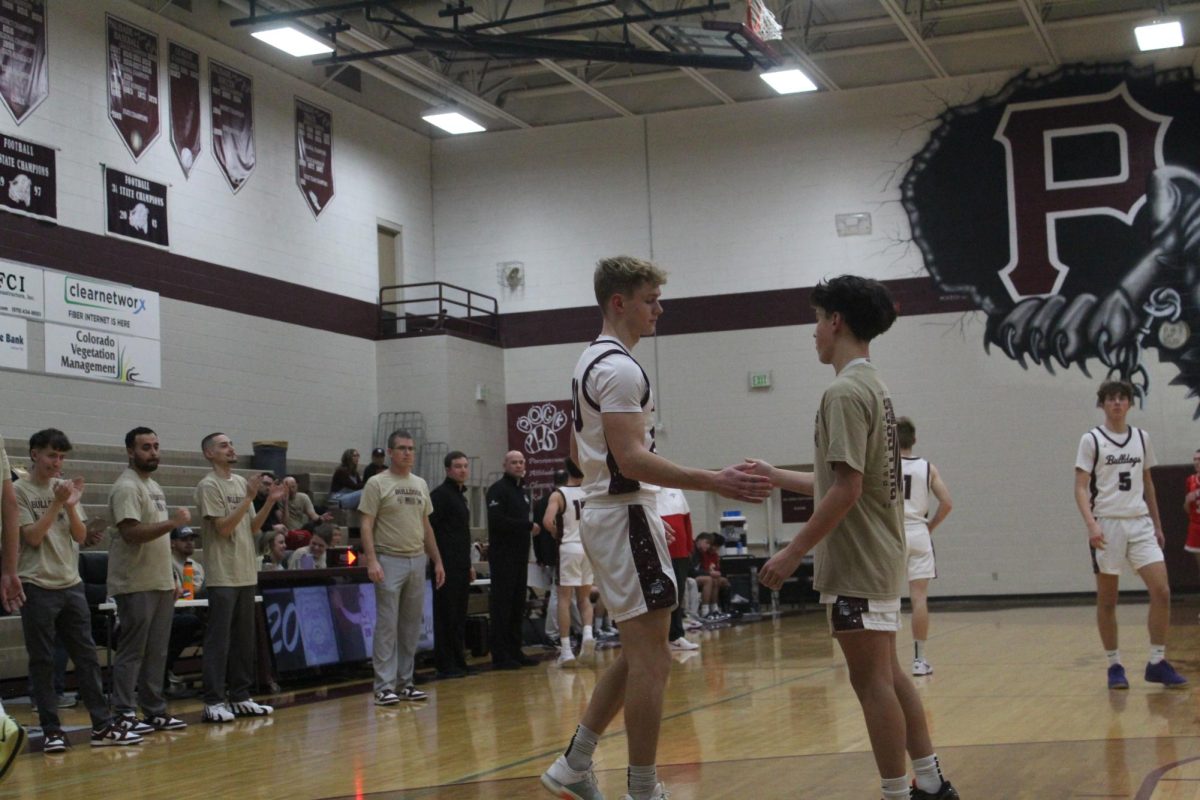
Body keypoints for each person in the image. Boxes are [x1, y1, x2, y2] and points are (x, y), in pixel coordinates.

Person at [541, 256, 770, 800]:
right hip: (620, 513)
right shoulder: (619, 368)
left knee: (639, 652)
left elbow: (588, 451)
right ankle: (642, 789)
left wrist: (639, 510)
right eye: (650, 299)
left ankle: (573, 765)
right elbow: (632, 457)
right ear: (618, 302)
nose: (659, 310)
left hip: (619, 513)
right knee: (653, 658)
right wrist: (712, 480)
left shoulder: (588, 361)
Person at [755, 275, 958, 800]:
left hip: (858, 561)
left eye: (817, 319)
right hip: (880, 557)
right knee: (889, 674)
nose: (814, 332)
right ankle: (931, 783)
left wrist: (792, 551)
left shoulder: (843, 392)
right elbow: (846, 481)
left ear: (836, 321)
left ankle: (896, 792)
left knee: (872, 684)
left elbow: (846, 490)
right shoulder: (875, 387)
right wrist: (776, 476)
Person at [16, 428, 140, 752]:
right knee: (42, 660)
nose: (57, 463)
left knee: (86, 657)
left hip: (71, 584)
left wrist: (71, 505)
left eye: (61, 457)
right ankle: (52, 730)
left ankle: (101, 725)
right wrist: (56, 503)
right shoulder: (18, 491)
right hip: (36, 583)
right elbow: (31, 537)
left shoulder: (63, 488)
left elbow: (81, 535)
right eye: (50, 456)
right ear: (34, 455)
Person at [1074, 380, 1186, 690]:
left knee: (1161, 591)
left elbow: (1148, 484)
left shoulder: (1141, 437)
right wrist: (1091, 524)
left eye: (1122, 398)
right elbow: (1081, 487)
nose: (1117, 403)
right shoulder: (1091, 440)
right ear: (1102, 404)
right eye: (1111, 399)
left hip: (1140, 523)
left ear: (1130, 404)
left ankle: (1157, 661)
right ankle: (1114, 665)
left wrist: (1158, 524)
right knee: (1108, 599)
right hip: (1107, 523)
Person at [195, 432, 286, 723]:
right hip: (222, 574)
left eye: (231, 444)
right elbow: (223, 528)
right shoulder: (208, 485)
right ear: (209, 453)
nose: (231, 448)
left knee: (244, 640)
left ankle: (240, 696)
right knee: (219, 640)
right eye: (223, 445)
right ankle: (213, 700)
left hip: (246, 572)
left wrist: (269, 501)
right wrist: (248, 498)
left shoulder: (238, 483)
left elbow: (253, 528)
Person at [106, 426, 192, 733]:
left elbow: (158, 540)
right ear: (130, 451)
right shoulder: (127, 487)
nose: (153, 452)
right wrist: (173, 523)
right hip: (135, 582)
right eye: (146, 447)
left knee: (158, 650)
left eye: (156, 446)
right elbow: (131, 533)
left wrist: (171, 573)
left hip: (159, 581)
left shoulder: (153, 485)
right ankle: (124, 711)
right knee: (133, 650)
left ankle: (154, 709)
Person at [359, 429, 446, 705]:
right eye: (402, 448)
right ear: (391, 452)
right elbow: (365, 524)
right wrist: (371, 560)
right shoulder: (376, 483)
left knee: (410, 626)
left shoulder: (420, 484)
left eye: (411, 448)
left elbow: (426, 526)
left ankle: (406, 682)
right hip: (388, 559)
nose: (408, 453)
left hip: (417, 559)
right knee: (387, 625)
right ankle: (383, 686)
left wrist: (437, 559)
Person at [896, 417, 953, 677]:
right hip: (918, 532)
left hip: (891, 534)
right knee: (919, 598)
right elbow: (947, 503)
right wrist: (929, 527)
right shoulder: (928, 468)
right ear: (914, 440)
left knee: (885, 597)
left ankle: (886, 661)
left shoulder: (882, 467)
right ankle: (919, 661)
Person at [487, 451, 540, 670]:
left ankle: (515, 650)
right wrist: (526, 526)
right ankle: (500, 655)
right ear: (505, 465)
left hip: (520, 556)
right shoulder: (498, 490)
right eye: (514, 462)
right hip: (503, 557)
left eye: (521, 462)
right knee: (503, 606)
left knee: (518, 604)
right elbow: (498, 521)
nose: (518, 466)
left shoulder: (522, 491)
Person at [543, 457, 595, 667]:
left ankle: (566, 650)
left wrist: (558, 533)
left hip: (569, 548)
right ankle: (588, 635)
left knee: (564, 599)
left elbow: (547, 521)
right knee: (584, 599)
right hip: (588, 548)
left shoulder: (559, 494)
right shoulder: (590, 493)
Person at [430, 450, 476, 679]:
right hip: (444, 565)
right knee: (445, 615)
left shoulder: (460, 496)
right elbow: (431, 531)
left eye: (465, 466)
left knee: (459, 615)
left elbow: (462, 535)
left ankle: (459, 660)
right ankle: (445, 664)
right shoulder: (439, 495)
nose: (463, 470)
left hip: (460, 564)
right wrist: (437, 561)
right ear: (448, 469)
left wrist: (468, 564)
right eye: (458, 466)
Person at [659, 486, 699, 649]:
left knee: (678, 593)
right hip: (658, 552)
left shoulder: (675, 490)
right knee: (661, 595)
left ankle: (675, 636)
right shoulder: (642, 490)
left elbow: (686, 520)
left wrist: (689, 547)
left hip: (680, 553)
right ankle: (659, 638)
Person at [166, 526, 205, 691]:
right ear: (173, 543)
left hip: (196, 609)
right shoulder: (167, 562)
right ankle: (164, 667)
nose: (189, 543)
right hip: (174, 611)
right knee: (190, 622)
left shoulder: (197, 565)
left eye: (191, 539)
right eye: (184, 539)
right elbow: (183, 592)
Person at [691, 532, 730, 621]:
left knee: (717, 580)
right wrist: (710, 573)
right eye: (707, 543)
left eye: (709, 544)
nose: (708, 546)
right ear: (700, 540)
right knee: (709, 580)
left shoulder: (702, 552)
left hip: (697, 575)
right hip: (691, 576)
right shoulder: (696, 551)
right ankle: (705, 611)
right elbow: (692, 570)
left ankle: (715, 608)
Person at [1184, 448, 1200, 575]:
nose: (1196, 462)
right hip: (1196, 526)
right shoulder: (1191, 480)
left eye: (1199, 459)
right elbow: (1187, 510)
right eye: (1195, 460)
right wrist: (1188, 501)